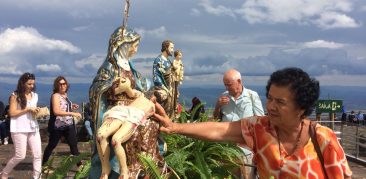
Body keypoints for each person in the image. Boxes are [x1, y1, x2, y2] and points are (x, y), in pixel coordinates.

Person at [153, 67, 352, 178]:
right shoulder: (260, 128)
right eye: (270, 98)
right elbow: (219, 129)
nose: (271, 106)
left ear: (301, 108)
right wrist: (174, 127)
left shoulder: (323, 138)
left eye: (280, 102)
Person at [89, 27, 163, 179]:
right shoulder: (109, 68)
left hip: (132, 110)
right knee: (102, 135)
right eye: (134, 45)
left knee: (142, 130)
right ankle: (106, 169)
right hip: (115, 110)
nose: (135, 49)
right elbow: (96, 88)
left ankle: (133, 170)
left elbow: (142, 87)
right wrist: (112, 86)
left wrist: (132, 89)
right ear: (123, 45)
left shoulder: (131, 68)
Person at [213, 69, 264, 177]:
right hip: (227, 150)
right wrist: (218, 105)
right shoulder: (224, 96)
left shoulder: (252, 96)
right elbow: (216, 119)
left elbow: (261, 122)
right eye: (225, 85)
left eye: (229, 85)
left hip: (246, 151)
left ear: (239, 82)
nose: (227, 88)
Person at [0, 72, 42, 179]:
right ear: (22, 83)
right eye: (29, 84)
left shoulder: (35, 96)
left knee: (37, 154)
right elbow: (12, 113)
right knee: (20, 155)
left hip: (33, 127)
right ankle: (4, 174)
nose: (32, 86)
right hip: (19, 128)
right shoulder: (15, 96)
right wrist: (27, 109)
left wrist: (37, 111)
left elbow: (32, 111)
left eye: (33, 84)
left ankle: (36, 176)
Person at [42, 76, 82, 166]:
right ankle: (44, 164)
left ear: (67, 85)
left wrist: (71, 105)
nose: (62, 86)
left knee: (73, 145)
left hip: (68, 124)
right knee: (52, 145)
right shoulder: (55, 96)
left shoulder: (65, 95)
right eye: (60, 84)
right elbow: (56, 111)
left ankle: (80, 166)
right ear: (56, 86)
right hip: (57, 126)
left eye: (64, 84)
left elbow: (63, 107)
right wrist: (73, 113)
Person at [153, 40, 177, 118]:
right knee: (164, 112)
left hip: (172, 90)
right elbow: (156, 77)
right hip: (165, 90)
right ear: (166, 48)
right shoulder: (158, 60)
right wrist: (166, 89)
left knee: (171, 111)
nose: (173, 50)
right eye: (171, 48)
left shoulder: (169, 61)